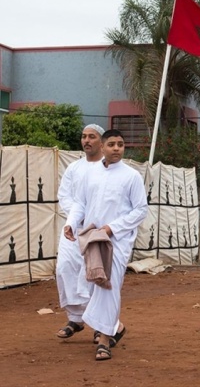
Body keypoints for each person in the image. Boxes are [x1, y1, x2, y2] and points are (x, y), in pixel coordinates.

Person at [63, 129, 148, 361]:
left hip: (117, 242)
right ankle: (116, 329)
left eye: (121, 144)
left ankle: (103, 340)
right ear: (103, 147)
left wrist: (113, 228)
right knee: (93, 286)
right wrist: (71, 223)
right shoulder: (89, 175)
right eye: (112, 144)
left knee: (107, 287)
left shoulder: (131, 176)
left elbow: (141, 210)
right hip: (92, 238)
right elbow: (79, 203)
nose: (117, 148)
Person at [55, 124, 104, 340]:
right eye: (83, 136)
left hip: (98, 229)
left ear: (101, 141)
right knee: (64, 268)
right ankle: (75, 319)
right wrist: (75, 218)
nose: (86, 140)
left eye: (91, 137)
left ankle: (99, 324)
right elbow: (64, 195)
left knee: (95, 275)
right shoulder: (73, 168)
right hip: (73, 227)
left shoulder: (107, 168)